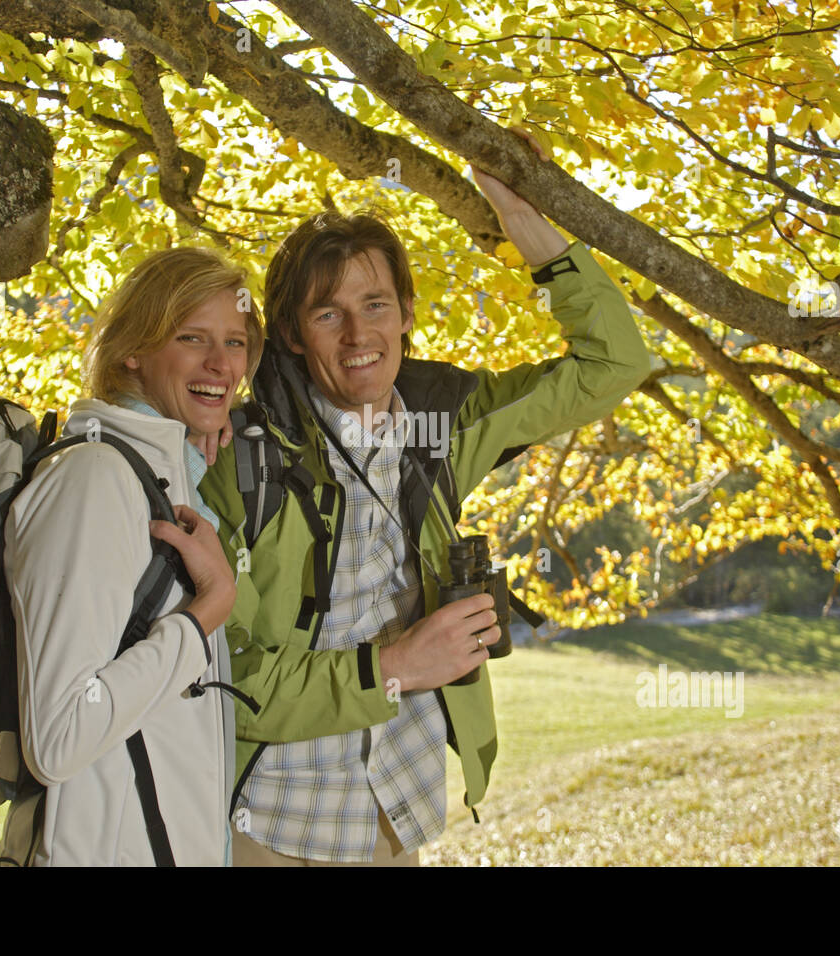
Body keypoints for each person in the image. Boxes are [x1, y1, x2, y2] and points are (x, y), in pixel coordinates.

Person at [199, 134, 653, 866]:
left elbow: (614, 363)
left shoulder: (445, 426)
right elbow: (232, 681)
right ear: (288, 332)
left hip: (397, 811)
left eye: (376, 303)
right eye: (326, 314)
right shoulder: (242, 461)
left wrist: (538, 238)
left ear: (406, 312)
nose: (358, 335)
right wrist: (399, 665)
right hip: (271, 822)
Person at [0, 247, 262, 866]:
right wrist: (205, 616)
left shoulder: (161, 481)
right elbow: (58, 736)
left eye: (236, 341)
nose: (221, 365)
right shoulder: (92, 479)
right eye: (192, 337)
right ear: (131, 352)